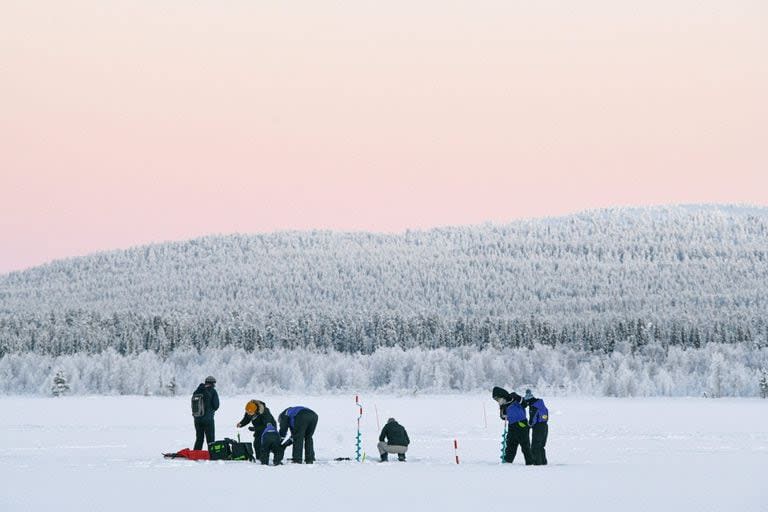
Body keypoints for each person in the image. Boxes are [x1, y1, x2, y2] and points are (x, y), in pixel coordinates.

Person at [492, 386, 532, 465]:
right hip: (512, 426)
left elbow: (525, 404)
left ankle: (530, 463)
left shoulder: (515, 399)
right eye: (496, 400)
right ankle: (507, 462)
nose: (498, 401)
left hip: (522, 424)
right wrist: (502, 409)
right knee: (510, 445)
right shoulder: (504, 405)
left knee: (525, 445)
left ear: (502, 396)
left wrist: (517, 397)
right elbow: (503, 417)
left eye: (498, 399)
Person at [522, 389, 549, 465]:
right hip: (545, 426)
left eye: (527, 402)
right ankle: (543, 462)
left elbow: (532, 420)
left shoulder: (534, 406)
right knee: (541, 446)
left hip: (538, 427)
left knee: (535, 446)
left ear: (529, 400)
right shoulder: (541, 404)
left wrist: (527, 425)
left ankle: (537, 463)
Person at [192, 376, 219, 450]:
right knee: (210, 439)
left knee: (199, 438)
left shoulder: (197, 391)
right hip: (208, 419)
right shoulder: (213, 391)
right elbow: (216, 405)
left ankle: (196, 454)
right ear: (212, 383)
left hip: (197, 419)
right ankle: (212, 454)